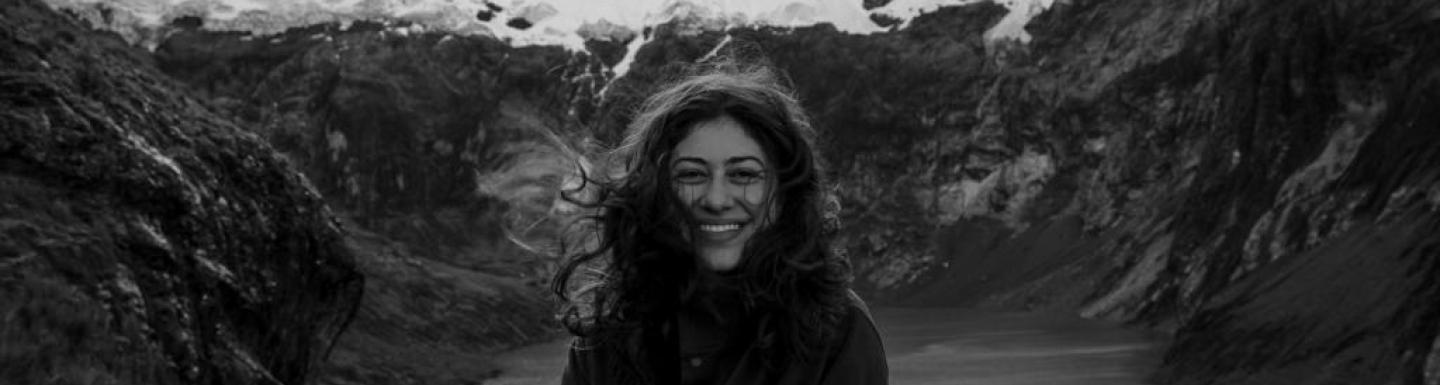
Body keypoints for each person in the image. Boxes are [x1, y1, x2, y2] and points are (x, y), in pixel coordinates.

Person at [552, 58, 888, 385]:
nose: (716, 200)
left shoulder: (836, 334)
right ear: (656, 190)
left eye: (743, 174)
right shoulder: (606, 337)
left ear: (786, 191)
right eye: (692, 174)